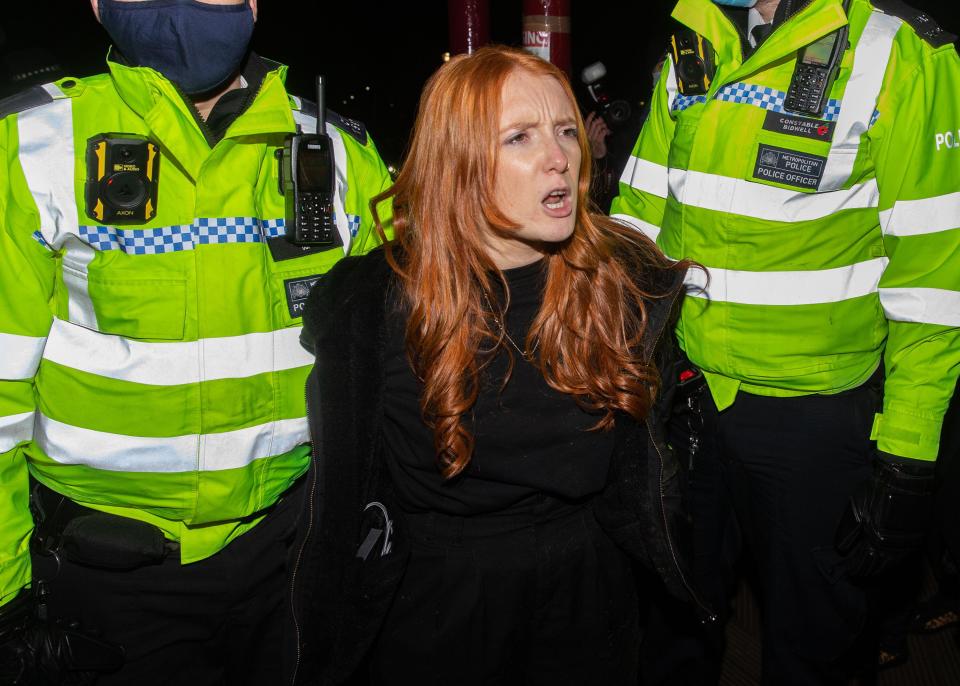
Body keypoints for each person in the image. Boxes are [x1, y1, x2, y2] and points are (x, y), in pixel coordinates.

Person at [293, 45, 711, 686]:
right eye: (520, 136)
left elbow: (649, 466)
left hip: (591, 602)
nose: (560, 159)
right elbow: (341, 501)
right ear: (457, 162)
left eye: (566, 131)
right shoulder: (372, 308)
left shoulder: (621, 288)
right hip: (434, 611)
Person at [0, 1, 392, 683]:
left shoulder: (343, 153)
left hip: (294, 563)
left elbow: (399, 356)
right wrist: (5, 601)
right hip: (107, 586)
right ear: (98, 5)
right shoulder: (32, 147)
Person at [611, 0, 960, 683]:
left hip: (815, 424)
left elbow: (934, 282)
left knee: (815, 652)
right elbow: (638, 221)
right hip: (685, 400)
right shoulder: (695, 38)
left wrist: (909, 457)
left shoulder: (901, 53)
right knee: (673, 634)